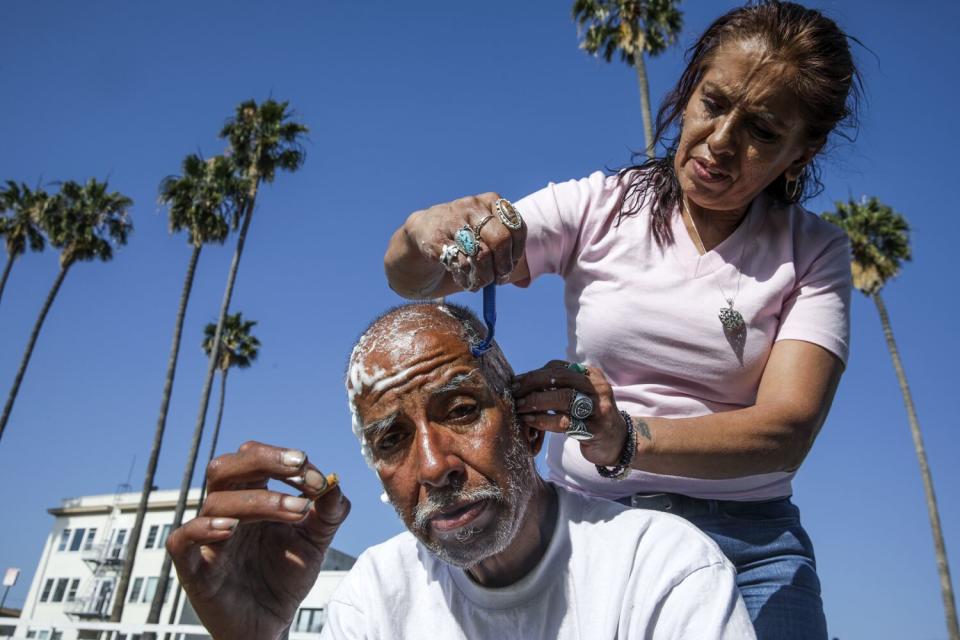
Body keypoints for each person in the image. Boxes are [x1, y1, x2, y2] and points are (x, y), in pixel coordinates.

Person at [383, 2, 860, 638]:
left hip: (750, 547)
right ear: (688, 92)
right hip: (591, 533)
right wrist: (422, 236)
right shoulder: (597, 207)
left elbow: (787, 429)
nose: (721, 141)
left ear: (804, 151)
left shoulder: (816, 251)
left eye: (763, 131)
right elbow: (416, 277)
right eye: (713, 103)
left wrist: (624, 437)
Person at [166, 303, 756, 639]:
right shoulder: (375, 599)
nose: (433, 467)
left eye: (463, 411)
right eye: (392, 440)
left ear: (527, 425)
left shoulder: (659, 572)